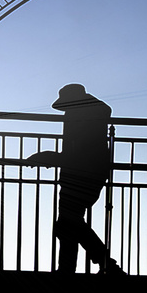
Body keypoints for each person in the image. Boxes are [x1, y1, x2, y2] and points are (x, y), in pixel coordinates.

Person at [23, 83, 124, 275]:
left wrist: (50, 156)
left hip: (78, 174)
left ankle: (101, 264)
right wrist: (53, 157)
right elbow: (78, 151)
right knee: (69, 222)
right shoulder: (93, 114)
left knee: (68, 222)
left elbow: (77, 153)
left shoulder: (78, 116)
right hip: (89, 173)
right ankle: (94, 264)